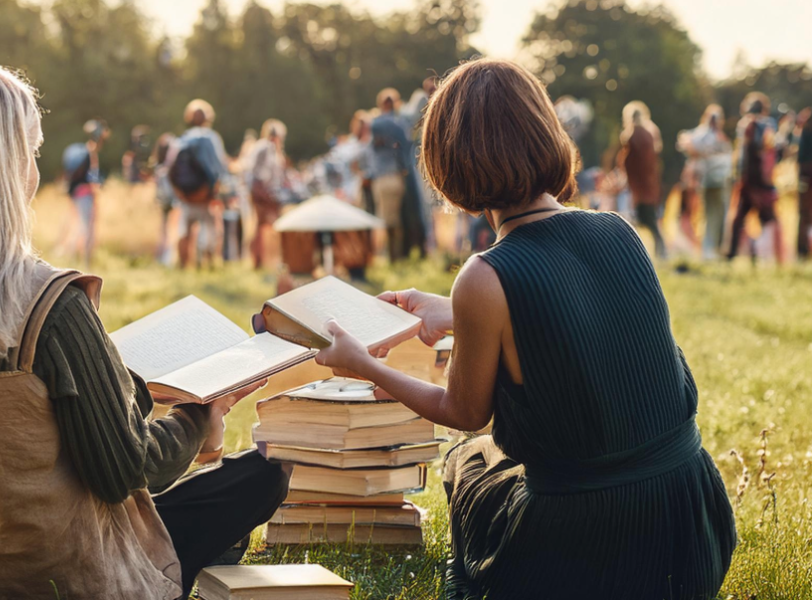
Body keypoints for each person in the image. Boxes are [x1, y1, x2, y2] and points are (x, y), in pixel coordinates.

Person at [0, 61, 288, 600]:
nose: (36, 174)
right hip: (67, 575)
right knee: (264, 475)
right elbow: (130, 470)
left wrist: (124, 392)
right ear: (9, 168)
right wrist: (201, 416)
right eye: (32, 154)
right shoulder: (53, 306)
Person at [313, 59, 735, 600]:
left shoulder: (484, 276)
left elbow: (465, 414)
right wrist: (456, 313)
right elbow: (589, 333)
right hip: (692, 527)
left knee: (469, 459)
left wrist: (364, 364)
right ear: (546, 131)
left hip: (590, 547)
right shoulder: (619, 230)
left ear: (448, 160)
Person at [168, 99, 231, 268]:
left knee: (185, 230)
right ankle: (206, 264)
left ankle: (183, 264)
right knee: (209, 229)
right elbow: (219, 167)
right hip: (204, 196)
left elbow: (170, 168)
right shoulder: (211, 138)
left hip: (186, 196)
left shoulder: (182, 139)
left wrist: (179, 191)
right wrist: (215, 190)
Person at [727, 92, 783, 263]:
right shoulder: (768, 126)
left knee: (741, 219)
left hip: (750, 180)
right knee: (766, 219)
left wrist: (738, 175)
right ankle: (761, 253)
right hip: (762, 181)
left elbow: (746, 155)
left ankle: (738, 253)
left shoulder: (748, 125)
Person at [680, 105, 732, 259]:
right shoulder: (711, 135)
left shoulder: (700, 134)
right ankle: (710, 249)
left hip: (710, 180)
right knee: (715, 214)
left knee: (713, 215)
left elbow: (684, 142)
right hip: (714, 181)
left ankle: (712, 249)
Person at [369, 88, 413, 261]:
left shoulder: (375, 124)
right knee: (395, 217)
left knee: (387, 220)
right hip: (396, 176)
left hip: (382, 177)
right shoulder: (399, 125)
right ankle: (397, 254)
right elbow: (405, 149)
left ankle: (392, 256)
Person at [619, 100, 666, 259]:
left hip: (639, 188)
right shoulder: (648, 135)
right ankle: (654, 252)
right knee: (646, 220)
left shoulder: (633, 135)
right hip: (648, 186)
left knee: (643, 221)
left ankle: (643, 253)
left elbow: (629, 163)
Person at [60, 119, 108, 266]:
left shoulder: (82, 152)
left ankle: (72, 257)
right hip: (85, 195)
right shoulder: (91, 153)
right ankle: (87, 260)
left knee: (80, 225)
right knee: (87, 227)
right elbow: (91, 178)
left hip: (77, 194)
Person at [247, 119, 287, 269]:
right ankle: (260, 260)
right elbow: (258, 174)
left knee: (262, 227)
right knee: (263, 226)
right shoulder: (266, 148)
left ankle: (264, 260)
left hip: (266, 193)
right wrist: (265, 193)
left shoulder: (266, 148)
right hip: (264, 194)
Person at [152, 132, 177, 265]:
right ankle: (168, 259)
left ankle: (161, 257)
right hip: (172, 201)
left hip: (162, 202)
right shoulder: (170, 168)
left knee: (163, 230)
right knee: (171, 230)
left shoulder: (158, 167)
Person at [798, 107, 812, 260]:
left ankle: (803, 249)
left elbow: (801, 157)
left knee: (804, 214)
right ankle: (803, 249)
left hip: (806, 177)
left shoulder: (805, 131)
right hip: (807, 177)